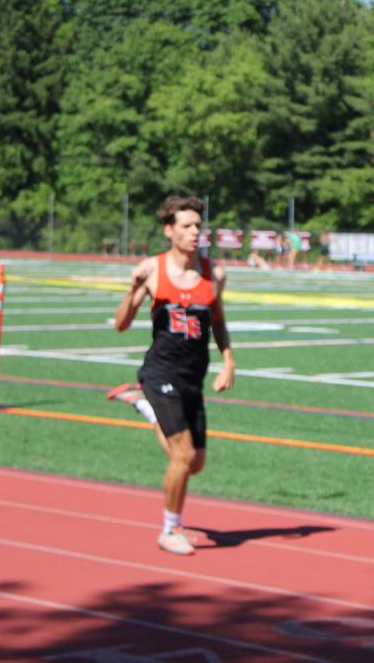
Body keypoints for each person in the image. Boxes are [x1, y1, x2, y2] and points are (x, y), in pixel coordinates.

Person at [111, 195, 235, 556]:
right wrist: (132, 289)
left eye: (198, 225)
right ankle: (170, 529)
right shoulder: (152, 269)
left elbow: (218, 322)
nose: (195, 232)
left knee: (195, 464)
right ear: (169, 231)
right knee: (182, 455)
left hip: (193, 377)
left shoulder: (214, 274)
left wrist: (228, 361)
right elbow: (121, 324)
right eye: (187, 226)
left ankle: (147, 408)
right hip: (159, 372)